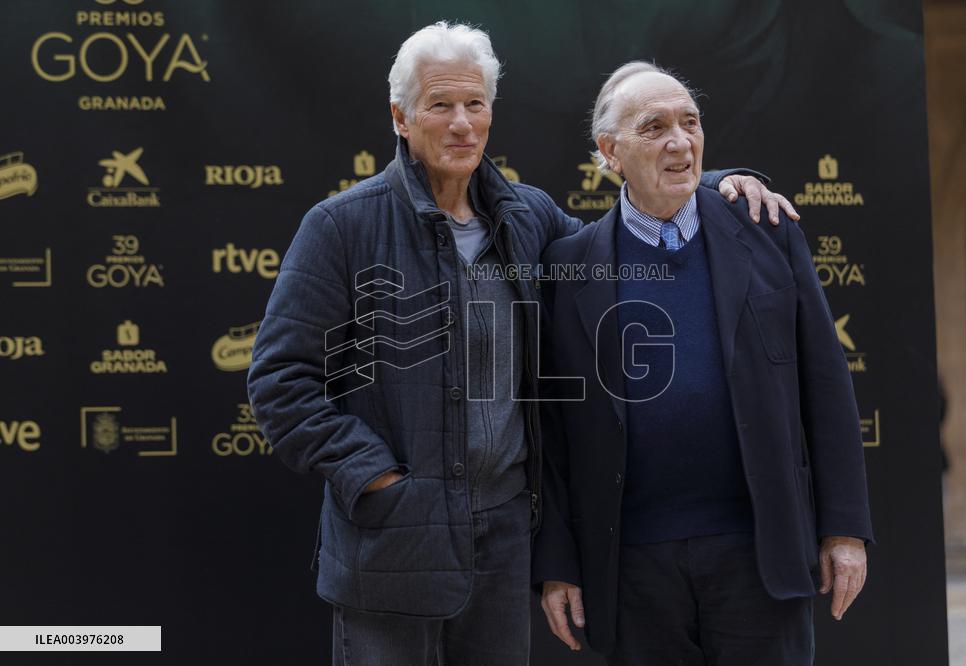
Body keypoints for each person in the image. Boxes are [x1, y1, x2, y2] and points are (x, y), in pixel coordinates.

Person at [248, 23, 794, 665]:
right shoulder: (340, 227)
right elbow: (280, 384)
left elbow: (627, 227)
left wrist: (718, 181)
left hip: (506, 540)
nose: (461, 124)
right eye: (440, 105)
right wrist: (379, 480)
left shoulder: (528, 217)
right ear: (400, 117)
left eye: (475, 104)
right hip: (391, 544)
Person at [534, 61, 873, 665]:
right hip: (631, 568)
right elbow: (556, 433)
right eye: (654, 126)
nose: (680, 141)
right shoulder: (571, 264)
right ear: (609, 153)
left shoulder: (767, 228)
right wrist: (558, 564)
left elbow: (825, 381)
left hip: (758, 553)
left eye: (690, 123)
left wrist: (844, 528)